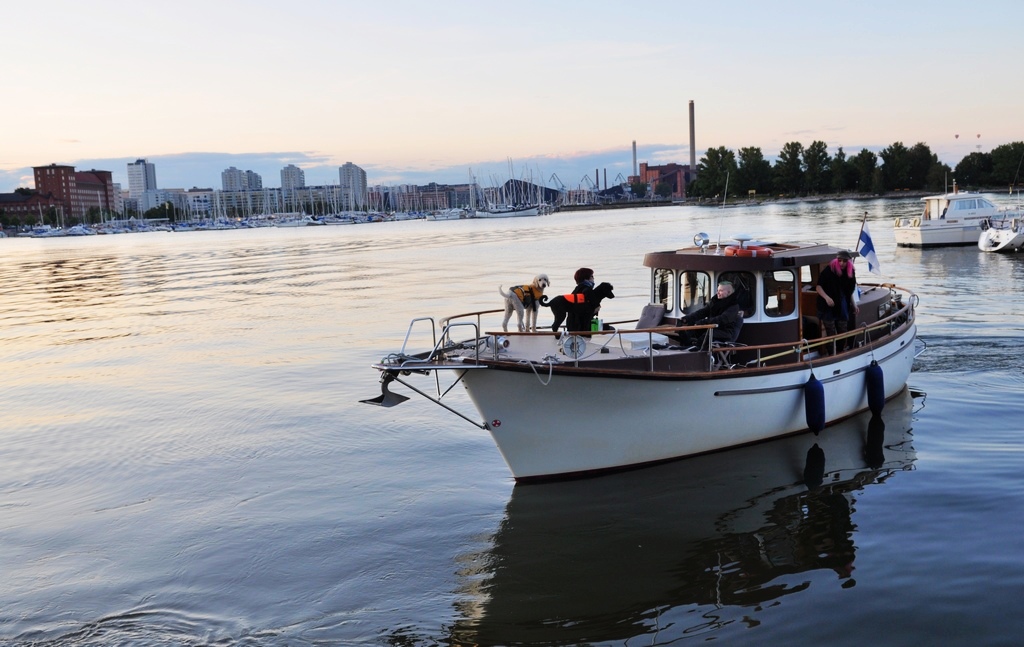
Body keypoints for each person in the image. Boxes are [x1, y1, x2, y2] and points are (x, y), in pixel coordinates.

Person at [815, 249, 859, 353]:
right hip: (827, 306)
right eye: (840, 260)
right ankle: (831, 354)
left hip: (842, 305)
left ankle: (839, 352)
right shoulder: (829, 270)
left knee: (842, 330)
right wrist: (827, 298)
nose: (842, 263)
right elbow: (818, 287)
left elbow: (849, 291)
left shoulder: (850, 272)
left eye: (844, 261)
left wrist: (854, 304)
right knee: (830, 332)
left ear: (848, 261)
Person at [676, 281, 741, 348]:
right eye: (717, 290)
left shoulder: (733, 306)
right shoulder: (714, 301)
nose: (717, 292)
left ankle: (697, 352)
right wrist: (687, 318)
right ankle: (686, 347)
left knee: (707, 335)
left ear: (728, 292)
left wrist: (703, 322)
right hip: (711, 328)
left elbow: (722, 319)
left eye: (721, 290)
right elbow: (702, 312)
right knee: (691, 330)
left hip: (724, 332)